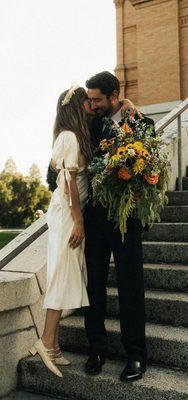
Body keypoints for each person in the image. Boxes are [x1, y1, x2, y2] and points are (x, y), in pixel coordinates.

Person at [84, 71, 155, 382]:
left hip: (126, 219)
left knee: (130, 286)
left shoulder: (141, 123)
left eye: (97, 99)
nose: (92, 104)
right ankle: (97, 349)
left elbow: (150, 160)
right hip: (94, 218)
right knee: (94, 285)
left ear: (115, 96)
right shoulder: (90, 125)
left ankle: (136, 356)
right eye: (90, 98)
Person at [29, 86, 93, 378]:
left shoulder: (72, 135)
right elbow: (67, 182)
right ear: (76, 106)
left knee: (66, 275)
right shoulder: (69, 137)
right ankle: (45, 342)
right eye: (86, 101)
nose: (90, 105)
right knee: (60, 274)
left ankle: (52, 346)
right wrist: (78, 220)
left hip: (68, 213)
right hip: (68, 214)